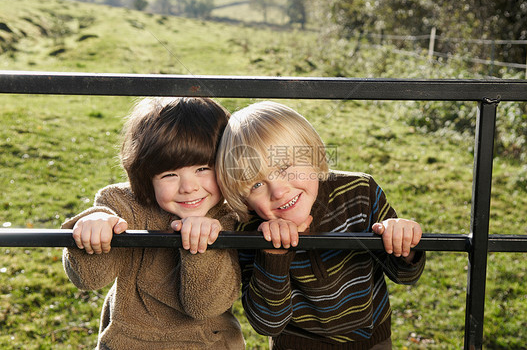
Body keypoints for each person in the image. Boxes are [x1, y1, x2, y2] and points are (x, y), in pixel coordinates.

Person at [216, 101, 425, 350]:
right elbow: (266, 324)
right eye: (256, 185)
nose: (279, 191)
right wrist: (272, 255)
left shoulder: (360, 193)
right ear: (244, 200)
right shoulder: (249, 229)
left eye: (284, 168)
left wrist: (403, 242)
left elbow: (406, 274)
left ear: (313, 155)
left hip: (373, 341)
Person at [61, 97, 244, 350]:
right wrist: (93, 228)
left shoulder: (230, 216)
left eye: (203, 168)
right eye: (170, 174)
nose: (189, 187)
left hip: (208, 343)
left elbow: (205, 306)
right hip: (130, 341)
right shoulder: (122, 204)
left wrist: (202, 247)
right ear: (146, 175)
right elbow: (90, 279)